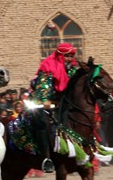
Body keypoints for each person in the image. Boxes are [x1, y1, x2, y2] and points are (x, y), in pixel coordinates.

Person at [31, 42, 78, 172]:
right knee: (42, 124)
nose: (69, 59)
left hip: (63, 102)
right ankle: (46, 158)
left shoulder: (72, 68)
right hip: (46, 102)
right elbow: (43, 85)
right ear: (60, 55)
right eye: (67, 56)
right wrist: (45, 100)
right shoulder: (48, 65)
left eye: (71, 56)